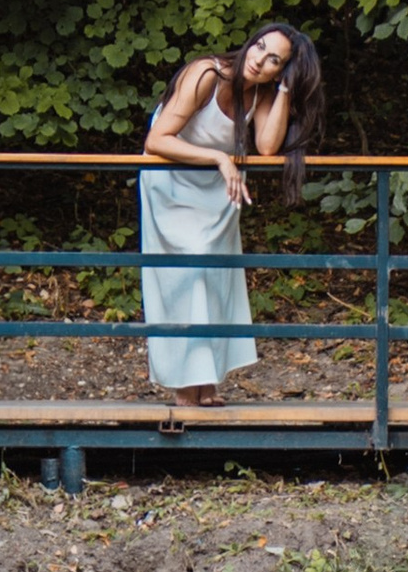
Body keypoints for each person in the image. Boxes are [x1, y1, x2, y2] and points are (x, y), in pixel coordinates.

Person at [138, 20, 325, 408]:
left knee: (215, 278)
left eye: (275, 60)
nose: (259, 60)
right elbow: (156, 140)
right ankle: (183, 388)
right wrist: (221, 157)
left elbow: (269, 145)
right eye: (259, 47)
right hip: (171, 181)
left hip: (216, 189)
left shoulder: (260, 92)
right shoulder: (205, 73)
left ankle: (206, 382)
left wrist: (285, 86)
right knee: (187, 276)